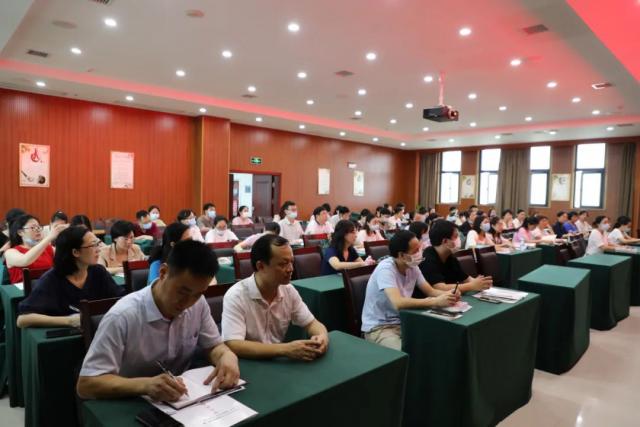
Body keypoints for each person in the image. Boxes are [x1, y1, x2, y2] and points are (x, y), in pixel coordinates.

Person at [77, 240, 240, 401]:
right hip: (131, 401)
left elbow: (214, 346)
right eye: (182, 291)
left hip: (182, 399)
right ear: (163, 272)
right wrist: (145, 385)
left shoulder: (198, 303)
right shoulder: (122, 316)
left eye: (197, 294)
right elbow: (86, 384)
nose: (188, 302)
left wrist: (226, 356)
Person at [221, 234, 329, 360]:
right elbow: (234, 344)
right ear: (260, 266)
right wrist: (285, 349)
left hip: (277, 361)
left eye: (291, 262)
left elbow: (311, 323)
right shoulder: (236, 295)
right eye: (283, 264)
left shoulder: (288, 290)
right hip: (247, 363)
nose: (290, 269)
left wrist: (322, 337)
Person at [361, 230, 459, 350]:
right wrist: (435, 301)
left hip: (405, 321)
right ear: (402, 255)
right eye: (416, 251)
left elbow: (430, 291)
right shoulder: (385, 269)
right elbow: (398, 303)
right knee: (407, 354)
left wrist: (449, 294)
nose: (420, 253)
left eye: (420, 248)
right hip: (380, 327)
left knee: (438, 340)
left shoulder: (412, 266)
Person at [17, 226, 125, 328]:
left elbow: (121, 299)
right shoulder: (52, 279)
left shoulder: (98, 271)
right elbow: (22, 320)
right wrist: (69, 321)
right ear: (75, 252)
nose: (98, 249)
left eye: (98, 244)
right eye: (93, 245)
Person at [420, 220, 493, 293]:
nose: (459, 239)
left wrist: (482, 283)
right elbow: (439, 287)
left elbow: (467, 279)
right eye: (456, 237)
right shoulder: (427, 259)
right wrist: (471, 286)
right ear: (445, 241)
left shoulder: (450, 257)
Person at [5, 214, 67, 284]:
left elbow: (66, 258)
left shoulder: (48, 248)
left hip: (48, 286)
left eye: (38, 227)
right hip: (23, 290)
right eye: (32, 227)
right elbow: (25, 260)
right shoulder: (10, 252)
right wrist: (49, 237)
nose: (37, 229)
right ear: (20, 232)